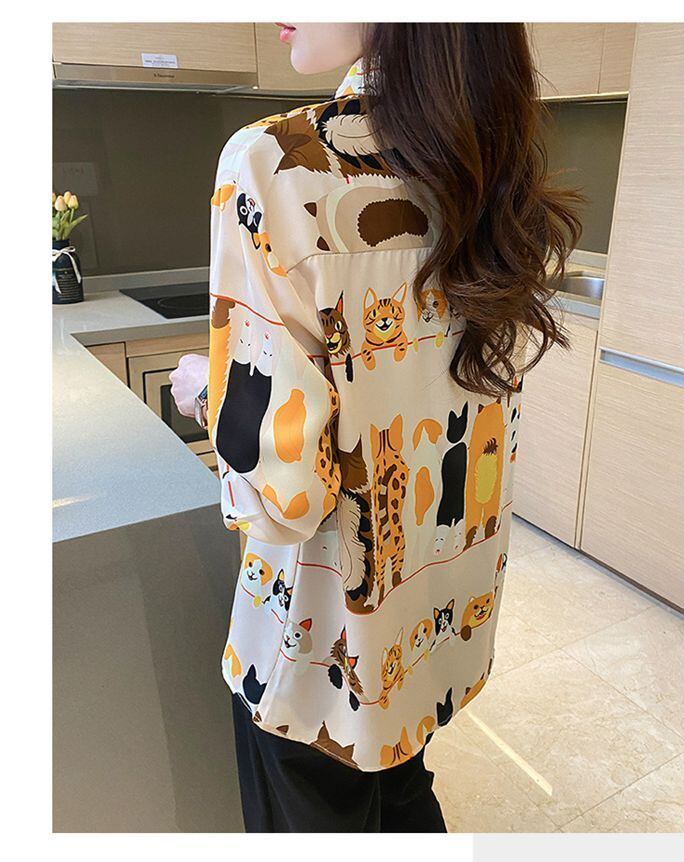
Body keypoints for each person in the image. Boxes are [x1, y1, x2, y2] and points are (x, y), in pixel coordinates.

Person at [170, 22, 581, 833]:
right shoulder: (490, 159)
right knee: (405, 794)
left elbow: (283, 496)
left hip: (320, 646)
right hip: (432, 619)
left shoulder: (278, 164)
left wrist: (212, 391)